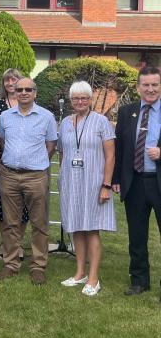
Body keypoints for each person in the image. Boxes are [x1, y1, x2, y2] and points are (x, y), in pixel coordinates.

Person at [0, 77, 57, 285]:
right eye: (19, 89)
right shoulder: (5, 116)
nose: (23, 92)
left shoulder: (46, 116)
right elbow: (2, 141)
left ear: (35, 93)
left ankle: (38, 266)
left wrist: (37, 162)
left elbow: (51, 144)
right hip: (10, 175)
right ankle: (11, 263)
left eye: (28, 89)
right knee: (11, 222)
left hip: (36, 176)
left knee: (39, 223)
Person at [58, 81, 116, 297]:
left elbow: (110, 155)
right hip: (71, 182)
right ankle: (80, 272)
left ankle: (93, 278)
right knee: (75, 227)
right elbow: (63, 152)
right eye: (76, 98)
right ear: (71, 100)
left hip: (94, 183)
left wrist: (106, 185)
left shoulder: (102, 122)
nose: (80, 102)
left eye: (84, 98)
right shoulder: (65, 122)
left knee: (92, 228)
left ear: (90, 99)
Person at [114, 65, 161, 298]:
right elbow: (120, 149)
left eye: (155, 84)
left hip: (159, 181)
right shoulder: (126, 112)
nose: (150, 89)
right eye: (146, 85)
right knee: (137, 236)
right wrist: (116, 179)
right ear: (138, 87)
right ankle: (139, 281)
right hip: (135, 183)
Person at [0, 68, 29, 259]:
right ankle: (6, 244)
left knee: (23, 206)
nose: (10, 83)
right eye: (7, 80)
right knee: (3, 205)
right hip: (4, 164)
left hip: (26, 165)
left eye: (14, 79)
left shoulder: (30, 103)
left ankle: (17, 244)